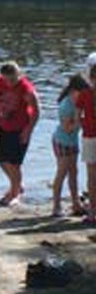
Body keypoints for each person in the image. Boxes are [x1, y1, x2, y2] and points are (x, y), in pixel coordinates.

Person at [0, 61, 40, 207]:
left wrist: (28, 131)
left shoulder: (25, 88)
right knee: (2, 160)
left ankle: (15, 194)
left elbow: (37, 110)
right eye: (7, 79)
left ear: (19, 75)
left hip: (20, 128)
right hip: (4, 126)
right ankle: (16, 185)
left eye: (13, 79)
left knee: (14, 163)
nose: (10, 83)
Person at [51, 74, 90, 217]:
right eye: (82, 93)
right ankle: (56, 206)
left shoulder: (76, 103)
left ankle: (75, 204)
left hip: (72, 142)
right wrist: (81, 120)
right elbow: (67, 128)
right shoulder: (66, 105)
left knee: (74, 173)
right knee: (61, 173)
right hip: (62, 142)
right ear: (74, 91)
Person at [76, 65, 96, 224]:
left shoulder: (84, 94)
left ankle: (92, 213)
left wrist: (84, 124)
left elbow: (77, 118)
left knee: (91, 175)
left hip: (89, 136)